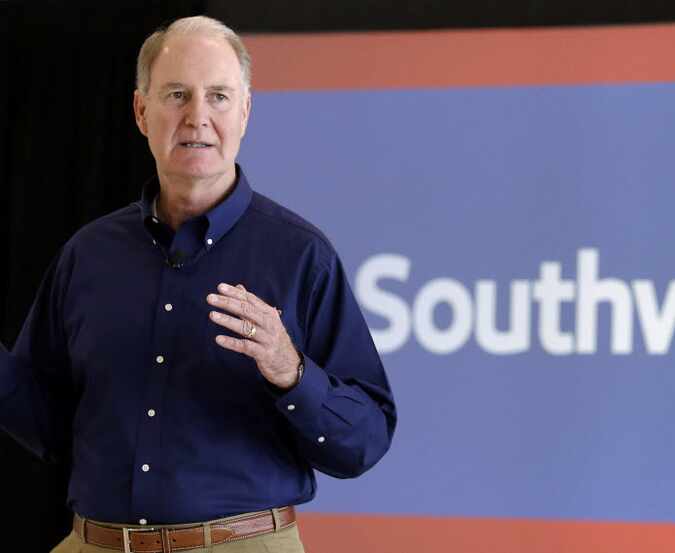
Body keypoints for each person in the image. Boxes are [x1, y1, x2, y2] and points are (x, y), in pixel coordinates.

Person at [0, 15, 396, 553]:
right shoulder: (88, 255)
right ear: (142, 111)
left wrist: (291, 372)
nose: (197, 117)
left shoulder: (301, 255)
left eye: (218, 97)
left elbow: (364, 443)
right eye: (177, 94)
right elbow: (46, 427)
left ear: (246, 112)